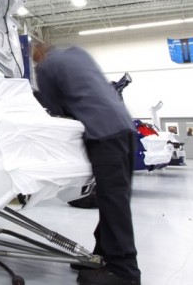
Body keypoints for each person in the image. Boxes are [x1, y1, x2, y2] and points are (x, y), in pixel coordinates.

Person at [32, 42, 141, 285]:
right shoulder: (78, 53)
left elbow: (53, 108)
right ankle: (102, 257)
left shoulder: (45, 67)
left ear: (38, 55)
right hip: (124, 126)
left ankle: (124, 271)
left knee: (113, 202)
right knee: (114, 199)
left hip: (103, 133)